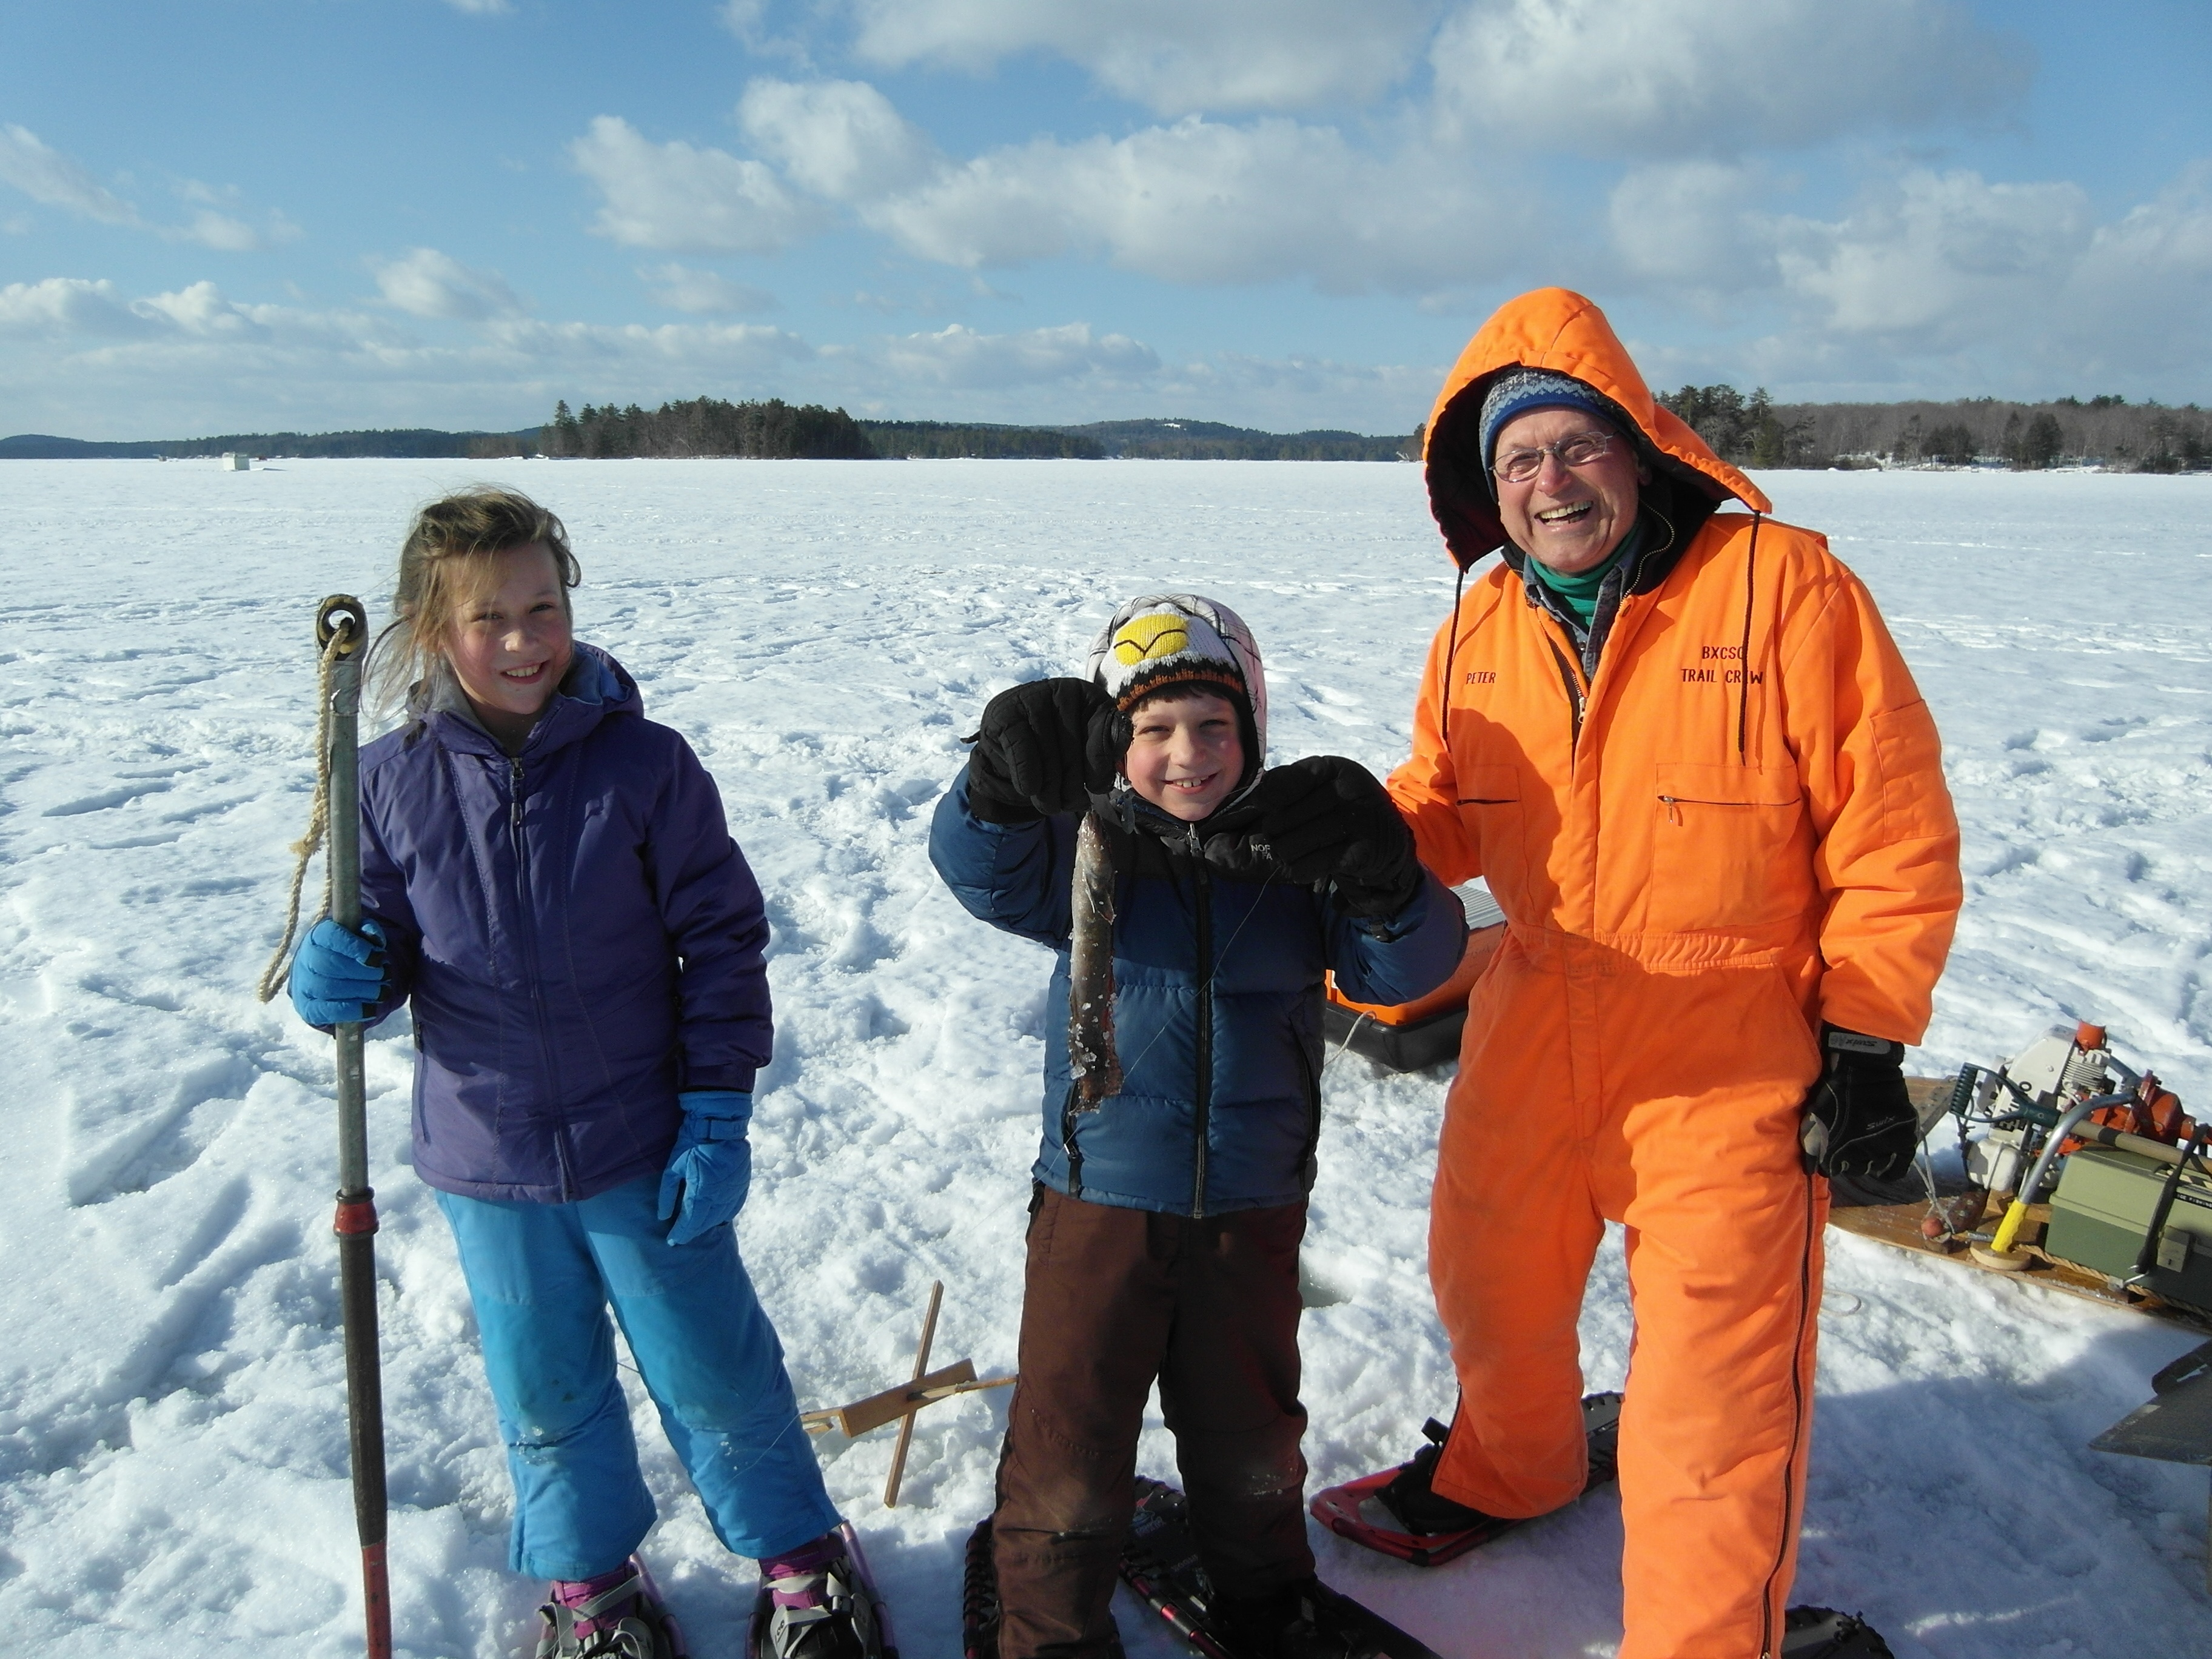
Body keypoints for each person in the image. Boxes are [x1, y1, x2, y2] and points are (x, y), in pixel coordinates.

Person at [1339, 289, 1960, 1659]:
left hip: (1726, 1041)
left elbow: (1894, 824)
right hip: (1532, 1010)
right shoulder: (1483, 625)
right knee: (1487, 1278)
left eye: (1574, 447)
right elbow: (1445, 806)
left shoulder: (1786, 586)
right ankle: (1514, 1469)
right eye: (1517, 463)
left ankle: (1702, 1641)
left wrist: (1865, 1038)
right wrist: (1364, 835)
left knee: (1711, 1396)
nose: (1550, 483)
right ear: (1484, 491)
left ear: (1638, 447)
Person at [285, 487, 883, 1659]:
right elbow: (390, 948)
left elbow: (720, 938)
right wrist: (343, 974)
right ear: (429, 630)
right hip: (487, 1157)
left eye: (543, 607)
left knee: (715, 1370)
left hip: (643, 1143)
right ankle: (591, 1588)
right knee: (546, 1395)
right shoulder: (387, 782)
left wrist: (715, 1110)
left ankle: (804, 1567)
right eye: (489, 617)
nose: (524, 641)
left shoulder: (645, 766)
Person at [929, 595, 1467, 1659]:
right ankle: (1049, 1631)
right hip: (1099, 1209)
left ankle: (1268, 1600)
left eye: (1214, 727)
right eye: (1154, 729)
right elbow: (980, 870)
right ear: (1111, 742)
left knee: (1252, 1437)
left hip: (1252, 1210)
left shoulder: (1296, 849)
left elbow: (1407, 968)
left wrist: (1386, 875)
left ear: (1254, 730)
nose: (1187, 756)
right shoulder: (1084, 848)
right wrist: (992, 788)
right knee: (1069, 1444)